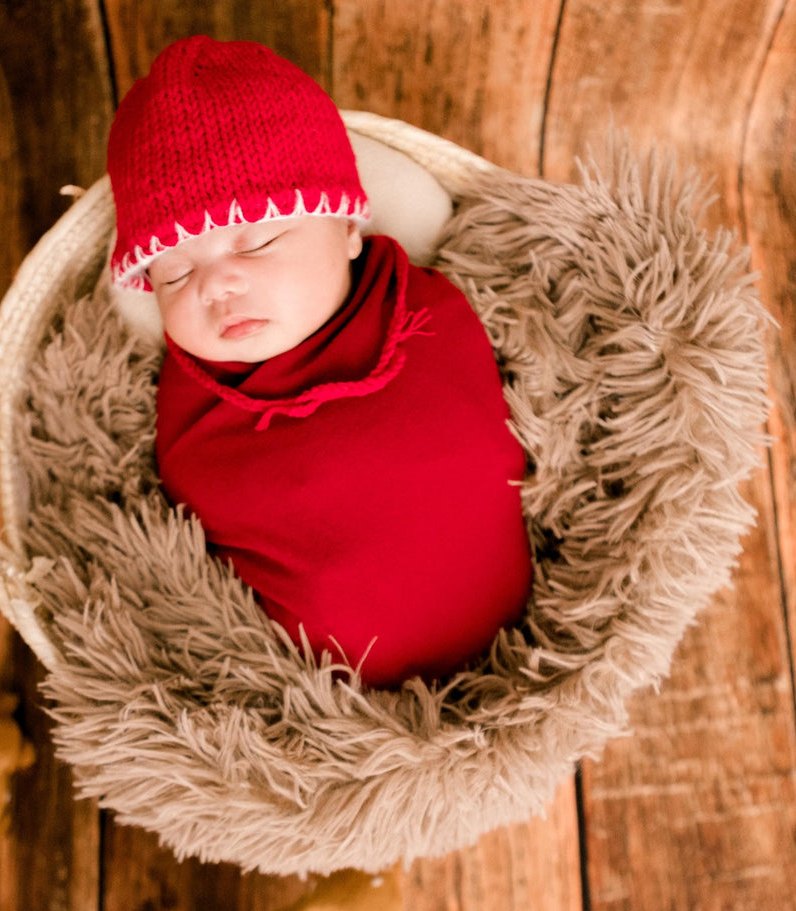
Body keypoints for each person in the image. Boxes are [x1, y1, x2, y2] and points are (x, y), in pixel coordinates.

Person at [107, 36, 531, 686]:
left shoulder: (426, 313)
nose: (214, 285)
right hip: (323, 715)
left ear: (346, 229)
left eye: (259, 241)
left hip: (524, 652)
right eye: (175, 272)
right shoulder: (185, 411)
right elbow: (189, 559)